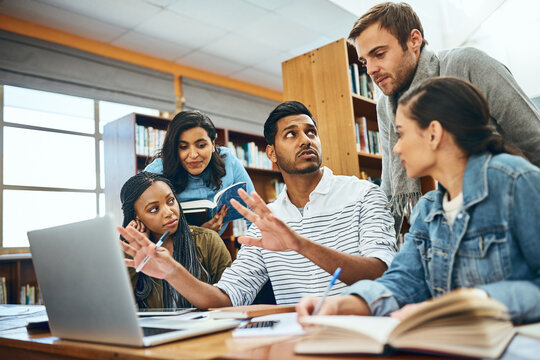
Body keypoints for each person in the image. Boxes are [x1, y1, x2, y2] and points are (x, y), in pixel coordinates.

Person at [297, 77, 540, 325]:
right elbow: (402, 282)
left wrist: (472, 303)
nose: (396, 148)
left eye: (401, 134)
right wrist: (337, 304)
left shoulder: (515, 181)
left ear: (433, 133)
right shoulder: (428, 210)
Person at [119, 101, 397, 309]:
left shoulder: (364, 195)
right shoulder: (264, 224)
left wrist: (299, 244)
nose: (305, 140)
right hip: (298, 343)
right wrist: (171, 271)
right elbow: (226, 297)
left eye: (311, 132)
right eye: (291, 134)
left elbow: (384, 273)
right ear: (271, 154)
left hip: (365, 335)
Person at [347, 2, 540, 232]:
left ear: (414, 40)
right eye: (364, 61)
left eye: (379, 54)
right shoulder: (385, 106)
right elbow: (391, 190)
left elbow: (534, 138)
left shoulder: (467, 63)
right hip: (448, 227)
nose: (370, 69)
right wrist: (377, 248)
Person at [120, 171, 231, 309]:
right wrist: (133, 250)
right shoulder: (127, 253)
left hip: (208, 328)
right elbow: (117, 307)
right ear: (136, 217)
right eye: (154, 209)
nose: (169, 212)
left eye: (171, 201)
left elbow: (230, 299)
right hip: (156, 329)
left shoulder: (208, 241)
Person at [145, 110, 255, 234]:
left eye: (201, 145)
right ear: (174, 148)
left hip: (213, 249)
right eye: (183, 147)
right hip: (169, 250)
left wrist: (251, 251)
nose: (193, 155)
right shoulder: (156, 172)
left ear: (213, 144)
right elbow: (142, 225)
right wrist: (201, 235)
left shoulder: (228, 160)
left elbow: (255, 214)